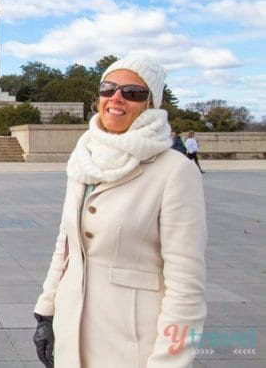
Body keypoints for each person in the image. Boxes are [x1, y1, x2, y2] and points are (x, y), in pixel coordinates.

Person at [32, 55, 207, 368]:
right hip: (72, 338)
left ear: (151, 104)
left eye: (133, 93)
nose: (116, 98)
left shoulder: (175, 172)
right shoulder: (84, 159)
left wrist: (172, 361)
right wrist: (46, 312)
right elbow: (66, 244)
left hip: (133, 346)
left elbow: (187, 287)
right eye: (108, 88)